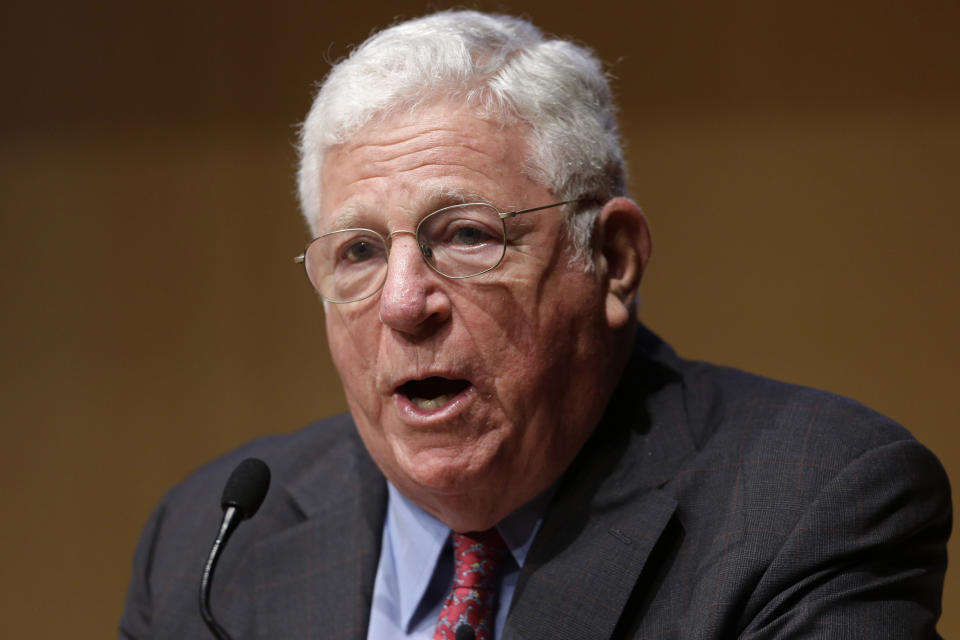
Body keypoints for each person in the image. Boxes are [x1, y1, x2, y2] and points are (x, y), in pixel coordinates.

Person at [120, 10, 951, 640]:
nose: (406, 303)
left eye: (469, 236)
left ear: (614, 258)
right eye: (360, 252)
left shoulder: (809, 506)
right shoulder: (210, 544)